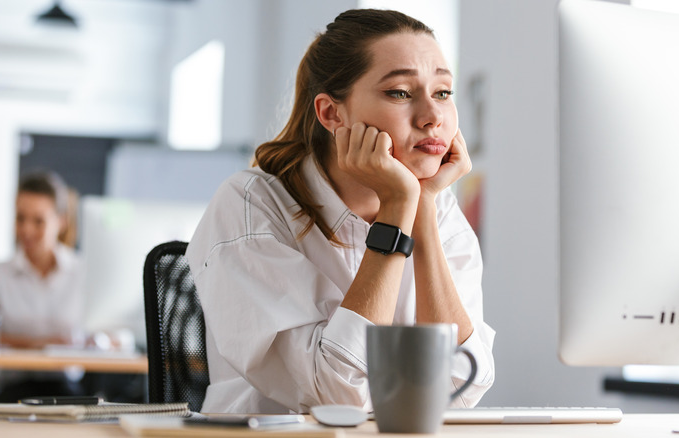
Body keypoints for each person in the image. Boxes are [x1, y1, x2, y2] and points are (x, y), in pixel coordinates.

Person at [186, 9, 495, 414]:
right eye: (400, 92)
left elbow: (461, 385)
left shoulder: (437, 209)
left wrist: (420, 208)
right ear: (332, 114)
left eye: (442, 92)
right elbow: (335, 395)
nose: (433, 117)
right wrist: (397, 210)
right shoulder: (250, 206)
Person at [0, 171, 85, 401]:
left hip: (67, 389)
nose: (26, 230)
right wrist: (48, 344)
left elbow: (102, 335)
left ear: (61, 221)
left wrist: (18, 342)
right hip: (11, 389)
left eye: (38, 221)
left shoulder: (82, 272)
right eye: (20, 218)